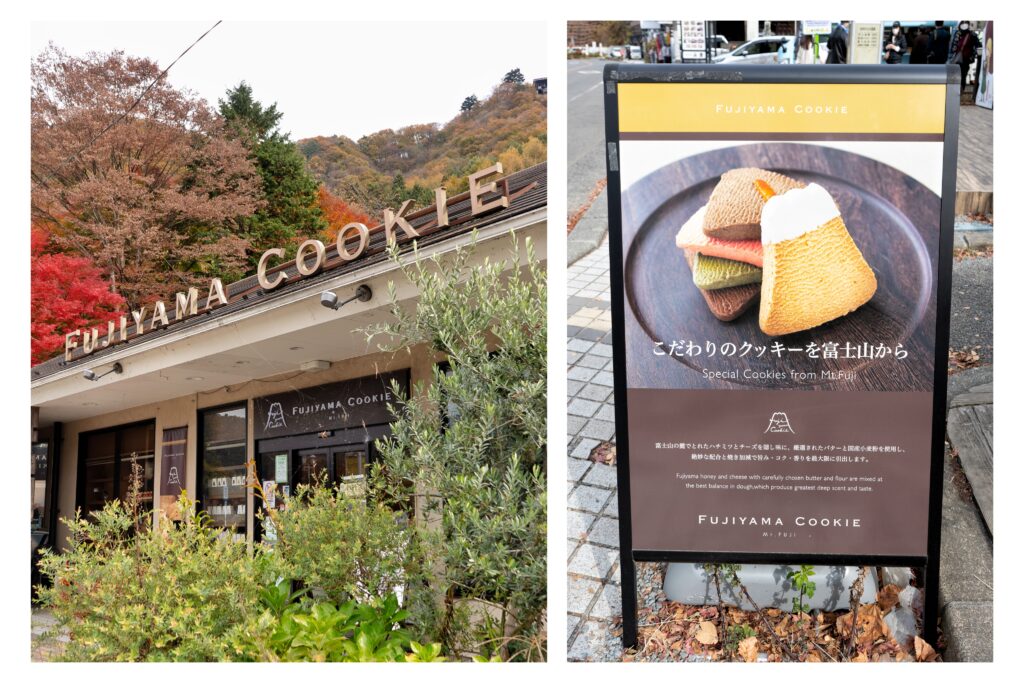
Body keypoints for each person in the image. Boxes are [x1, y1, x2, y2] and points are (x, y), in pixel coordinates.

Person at [950, 20, 980, 94]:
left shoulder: (957, 33)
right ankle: (961, 91)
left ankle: (956, 90)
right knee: (963, 75)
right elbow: (978, 45)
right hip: (966, 58)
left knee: (956, 75)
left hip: (957, 58)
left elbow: (952, 47)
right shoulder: (972, 35)